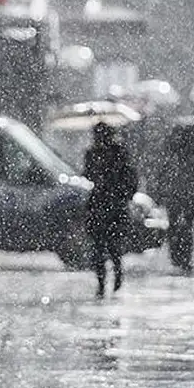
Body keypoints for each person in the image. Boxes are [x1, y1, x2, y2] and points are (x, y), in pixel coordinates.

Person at [82, 122, 138, 298]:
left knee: (112, 246)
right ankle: (101, 282)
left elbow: (129, 178)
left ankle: (116, 275)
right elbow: (87, 174)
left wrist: (118, 191)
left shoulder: (119, 153)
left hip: (113, 205)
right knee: (99, 247)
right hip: (99, 205)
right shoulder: (92, 153)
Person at [161, 125, 194, 274]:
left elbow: (162, 177)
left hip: (176, 196)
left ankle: (176, 255)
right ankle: (184, 256)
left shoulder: (171, 156)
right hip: (188, 197)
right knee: (187, 227)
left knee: (174, 226)